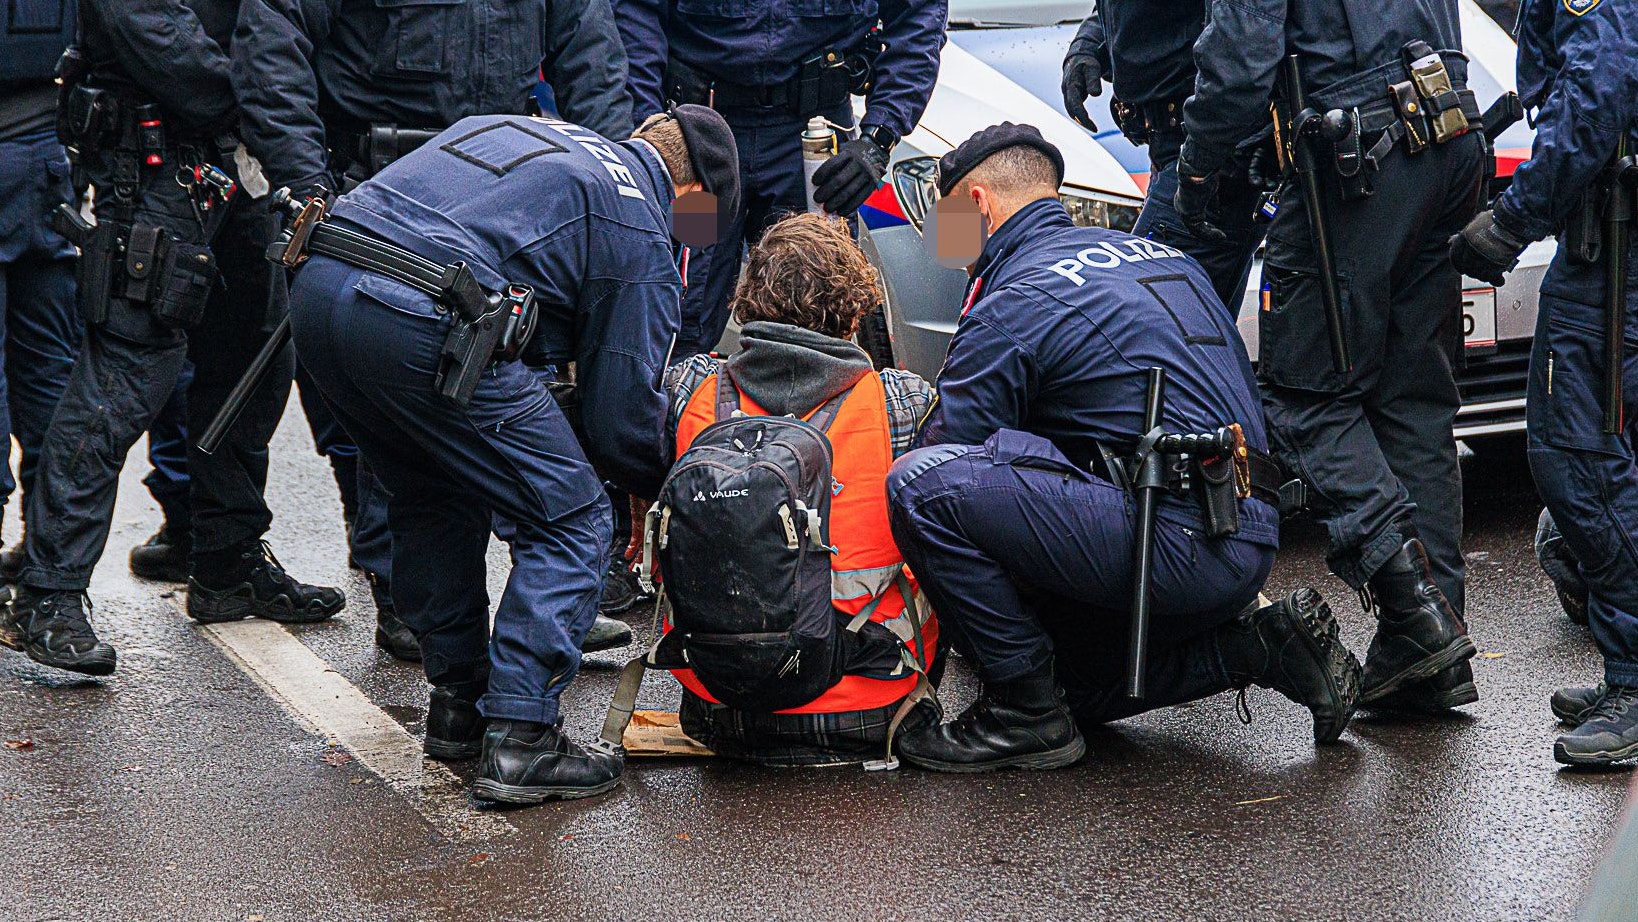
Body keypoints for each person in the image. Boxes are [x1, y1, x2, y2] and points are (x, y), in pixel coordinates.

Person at [287, 106, 739, 803]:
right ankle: (523, 739)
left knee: (434, 493)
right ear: (694, 200)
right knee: (572, 517)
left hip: (318, 291)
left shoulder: (523, 129)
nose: (695, 240)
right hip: (421, 315)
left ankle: (461, 709)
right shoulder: (642, 220)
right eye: (700, 227)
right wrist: (669, 487)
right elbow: (620, 420)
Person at [886, 125, 1362, 772]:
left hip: (1165, 545)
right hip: (1248, 535)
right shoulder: (1163, 258)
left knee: (920, 486)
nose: (953, 255)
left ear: (976, 206)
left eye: (947, 229)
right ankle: (1259, 647)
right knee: (1068, 684)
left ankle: (1024, 717)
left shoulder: (1014, 299)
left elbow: (949, 456)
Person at [231, 0, 637, 659]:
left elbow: (592, 60)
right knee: (395, 415)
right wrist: (307, 185)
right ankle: (407, 600)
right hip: (374, 185)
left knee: (512, 394)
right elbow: (272, 45)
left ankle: (548, 597)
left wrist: (605, 184)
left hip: (501, 191)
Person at [2, 0, 342, 678]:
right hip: (156, 170)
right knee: (123, 380)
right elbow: (160, 38)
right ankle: (48, 593)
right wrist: (276, 104)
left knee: (252, 369)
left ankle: (227, 558)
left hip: (246, 160)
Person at [1179, 0, 1485, 714]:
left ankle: (1416, 617)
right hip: (1443, 130)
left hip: (1356, 160)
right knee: (1414, 399)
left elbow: (1239, 60)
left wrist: (1199, 161)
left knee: (1302, 396)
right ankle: (1434, 649)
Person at [661, 212, 939, 766]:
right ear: (856, 311)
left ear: (749, 301)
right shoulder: (901, 402)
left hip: (719, 704)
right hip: (873, 702)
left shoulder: (691, 386)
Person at [1448, 0, 1638, 766]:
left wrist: (1515, 216)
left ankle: (1634, 674)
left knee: (1577, 457)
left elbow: (1599, 86)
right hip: (1608, 241)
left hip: (1611, 251)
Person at [613, 0, 947, 358]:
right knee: (677, 315)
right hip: (700, 139)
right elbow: (635, 19)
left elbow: (918, 17)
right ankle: (677, 408)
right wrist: (652, 135)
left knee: (816, 321)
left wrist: (879, 138)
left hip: (813, 139)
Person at [1060, 0, 1266, 314]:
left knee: (1142, 329)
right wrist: (1090, 43)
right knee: (1184, 341)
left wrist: (1200, 166)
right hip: (1178, 149)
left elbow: (1242, 40)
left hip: (1208, 151)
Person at [0, 3, 83, 587]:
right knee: (48, 366)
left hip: (40, 145)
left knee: (45, 365)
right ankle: (48, 556)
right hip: (46, 154)